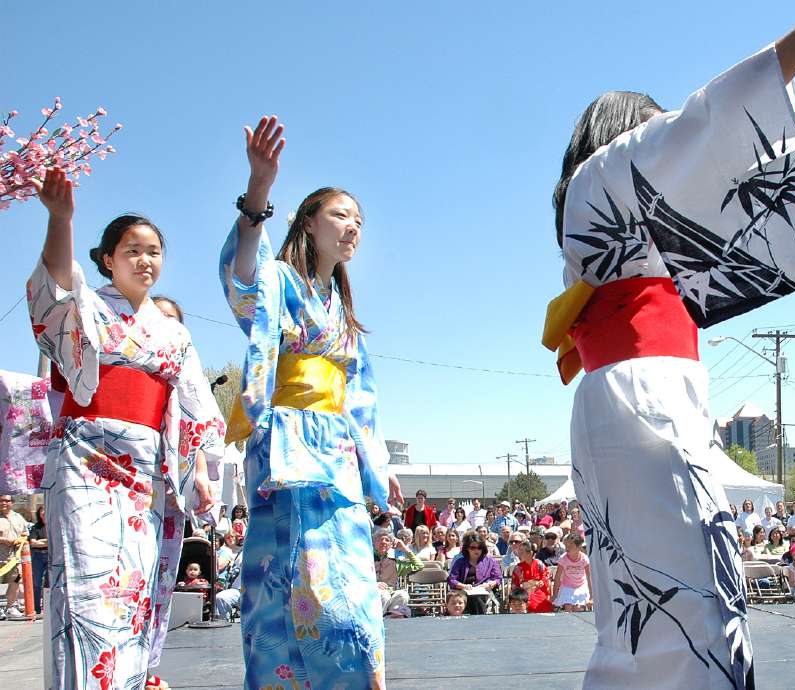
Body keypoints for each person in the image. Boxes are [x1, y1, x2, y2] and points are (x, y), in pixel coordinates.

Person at [542, 2, 795, 684]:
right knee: (696, 591)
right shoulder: (605, 178)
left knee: (636, 599)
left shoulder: (593, 201)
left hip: (625, 399)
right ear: (628, 135)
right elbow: (710, 121)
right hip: (644, 397)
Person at [221, 116, 403, 689]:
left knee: (345, 595)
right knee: (283, 580)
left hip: (338, 451)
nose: (353, 227)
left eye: (359, 219)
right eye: (340, 215)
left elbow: (362, 401)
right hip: (285, 445)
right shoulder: (279, 282)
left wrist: (381, 464)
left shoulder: (343, 318)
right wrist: (259, 189)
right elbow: (242, 276)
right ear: (308, 221)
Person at [29, 169, 224, 689]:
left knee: (136, 584)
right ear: (108, 259)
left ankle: (132, 680)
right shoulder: (89, 306)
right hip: (86, 462)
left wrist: (199, 474)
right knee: (88, 586)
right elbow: (53, 283)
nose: (145, 260)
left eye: (154, 251)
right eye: (132, 250)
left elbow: (185, 413)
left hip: (145, 473)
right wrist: (61, 218)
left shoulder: (174, 334)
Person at [448, 533, 501, 615]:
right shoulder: (460, 562)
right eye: (473, 548)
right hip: (464, 591)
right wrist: (463, 586)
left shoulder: (491, 561)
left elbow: (498, 578)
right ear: (467, 548)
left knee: (477, 598)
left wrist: (490, 584)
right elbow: (452, 580)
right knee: (468, 598)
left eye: (479, 548)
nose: (476, 550)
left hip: (485, 591)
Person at [0, 495, 30, 619]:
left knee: (16, 582)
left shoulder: (19, 518)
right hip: (1, 558)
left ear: (12, 502)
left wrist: (21, 539)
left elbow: (26, 533)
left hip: (15, 559)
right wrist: (4, 540)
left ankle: (10, 607)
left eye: (7, 501)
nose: (4, 503)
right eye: (1, 501)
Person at [552, 533, 592, 612]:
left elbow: (589, 577)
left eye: (571, 545)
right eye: (567, 544)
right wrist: (555, 595)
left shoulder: (584, 559)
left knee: (578, 608)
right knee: (568, 608)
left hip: (581, 585)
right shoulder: (563, 558)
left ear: (579, 547)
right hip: (567, 586)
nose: (568, 547)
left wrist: (592, 597)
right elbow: (557, 577)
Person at [27, 505, 48, 616]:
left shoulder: (53, 526)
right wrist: (46, 541)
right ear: (39, 514)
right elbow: (33, 542)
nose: (44, 513)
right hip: (38, 556)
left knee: (49, 582)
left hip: (50, 555)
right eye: (42, 511)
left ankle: (47, 606)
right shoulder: (36, 527)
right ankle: (36, 607)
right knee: (37, 583)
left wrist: (42, 542)